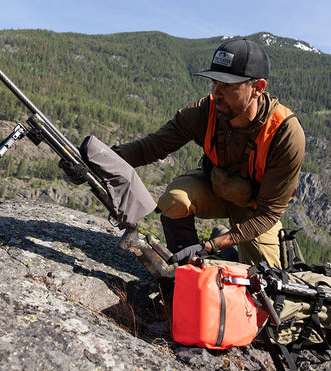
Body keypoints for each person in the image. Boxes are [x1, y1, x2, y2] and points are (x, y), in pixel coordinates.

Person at [112, 38, 306, 268]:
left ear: (258, 88)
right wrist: (102, 159)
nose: (217, 93)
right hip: (214, 187)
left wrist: (210, 246)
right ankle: (184, 268)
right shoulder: (207, 111)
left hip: (255, 212)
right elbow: (151, 147)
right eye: (215, 82)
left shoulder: (284, 133)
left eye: (229, 86)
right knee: (175, 200)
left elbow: (268, 214)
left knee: (262, 280)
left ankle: (225, 252)